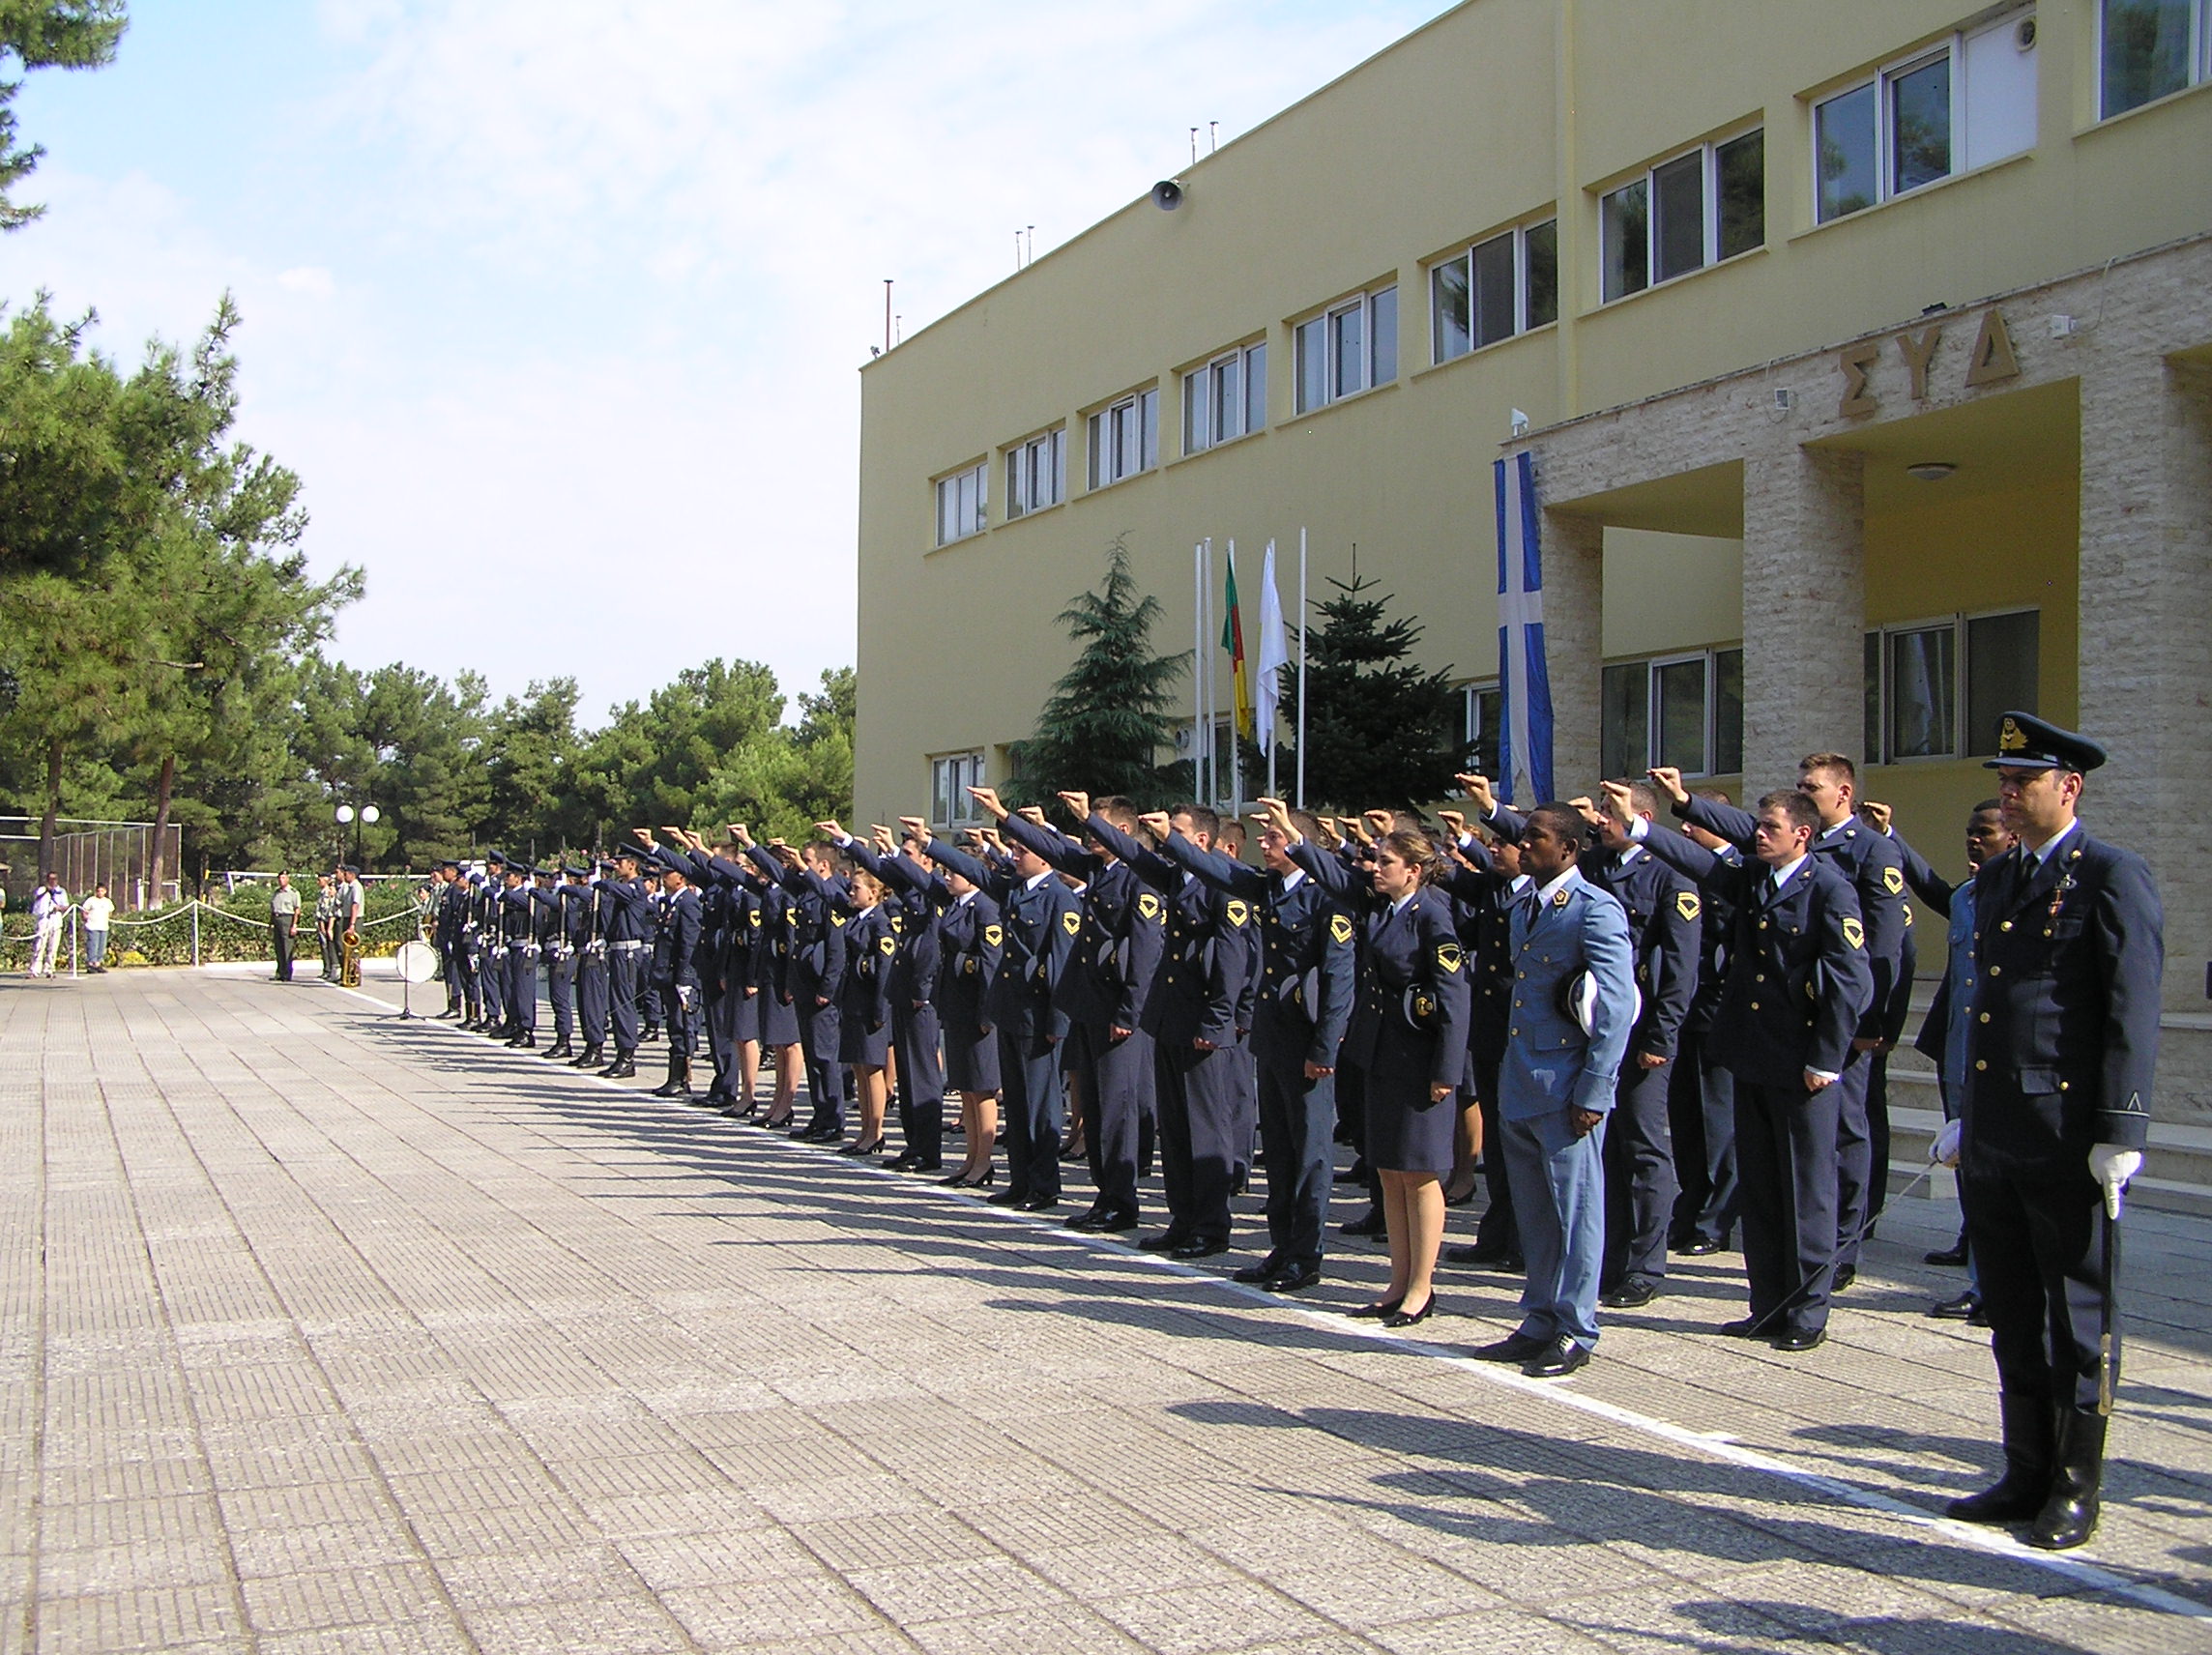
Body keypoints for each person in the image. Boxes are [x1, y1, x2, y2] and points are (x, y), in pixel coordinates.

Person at [1936, 712, 2162, 1552]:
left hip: (2067, 1133)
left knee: (2077, 1315)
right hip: (1999, 1129)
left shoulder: (2109, 874)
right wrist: (1966, 1113)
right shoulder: (1998, 878)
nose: (2007, 793)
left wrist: (2121, 1125)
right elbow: (1988, 1004)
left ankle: (2075, 1485)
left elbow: (2130, 1004)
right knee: (2013, 1312)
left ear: (2068, 787)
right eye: (2003, 779)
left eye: (2022, 781)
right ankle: (2024, 1469)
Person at [1621, 776, 1871, 1352]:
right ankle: (1768, 1305)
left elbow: (1850, 983)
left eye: (1770, 828)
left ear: (1801, 835)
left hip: (1802, 1062)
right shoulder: (1756, 877)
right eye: (1759, 826)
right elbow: (1701, 863)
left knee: (1806, 1190)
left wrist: (1827, 1058)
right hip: (1754, 1055)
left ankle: (1806, 1312)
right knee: (1761, 1187)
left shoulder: (1829, 889)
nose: (1759, 836)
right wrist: (1639, 828)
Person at [1463, 803, 1637, 1378]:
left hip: (1566, 1086)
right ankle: (1539, 1317)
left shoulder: (1594, 909)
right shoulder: (1524, 905)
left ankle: (1576, 1327)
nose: (1524, 845)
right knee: (1535, 1213)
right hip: (1522, 1079)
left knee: (1576, 1212)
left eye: (1535, 837)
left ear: (1567, 849)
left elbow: (1615, 1007)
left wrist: (1595, 1089)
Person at [1288, 822, 1467, 1327]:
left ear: (1413, 870)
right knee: (1389, 1171)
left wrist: (1447, 1071)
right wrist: (1294, 837)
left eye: (1386, 861)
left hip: (1420, 1062)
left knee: (1420, 1174)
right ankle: (1397, 1280)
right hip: (1384, 1057)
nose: (1375, 868)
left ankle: (1421, 1287)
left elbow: (1455, 999)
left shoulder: (1432, 914)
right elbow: (1337, 877)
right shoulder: (1384, 907)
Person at [1172, 798, 1354, 1292]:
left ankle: (1306, 1254)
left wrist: (1324, 1050)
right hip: (1273, 1040)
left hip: (1306, 1044)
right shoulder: (1271, 888)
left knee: (1310, 1153)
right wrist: (1169, 838)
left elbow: (1339, 981)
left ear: (1300, 843)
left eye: (1274, 836)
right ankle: (1282, 1245)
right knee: (1278, 1149)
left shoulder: (1326, 897)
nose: (1264, 843)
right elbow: (1215, 868)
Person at [1864, 795, 2013, 1323]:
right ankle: (1974, 1247)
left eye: (1985, 832)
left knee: (1994, 1169)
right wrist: (1892, 838)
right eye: (1970, 831)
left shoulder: (2018, 898)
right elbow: (1933, 888)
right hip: (1958, 1050)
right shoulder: (1969, 896)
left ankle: (1991, 1283)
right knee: (1963, 1158)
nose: (1974, 840)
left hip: (1997, 1055)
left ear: (2013, 837)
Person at [1087, 802, 1253, 1254]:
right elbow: (1134, 854)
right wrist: (1089, 819)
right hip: (1171, 1019)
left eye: (1175, 832)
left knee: (1206, 1129)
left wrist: (1217, 1020)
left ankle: (1211, 1225)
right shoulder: (1179, 878)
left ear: (1201, 840)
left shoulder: (1225, 884)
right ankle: (1183, 1218)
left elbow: (1232, 961)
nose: (1166, 838)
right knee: (1176, 1130)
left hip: (1203, 1023)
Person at [912, 815, 1080, 1211]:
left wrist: (1058, 1022)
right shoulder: (1017, 890)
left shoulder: (1059, 897)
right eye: (1014, 849)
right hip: (1011, 1010)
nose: (1014, 855)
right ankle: (1020, 1181)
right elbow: (975, 872)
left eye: (1022, 850)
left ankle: (1044, 1185)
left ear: (1045, 856)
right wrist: (930, 844)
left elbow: (1061, 965)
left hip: (1038, 1017)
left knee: (1041, 1106)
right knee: (1018, 1106)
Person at [1668, 795, 1744, 1257]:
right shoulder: (1684, 871)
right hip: (1685, 1012)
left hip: (1719, 1013)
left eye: (1694, 823)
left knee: (1719, 1123)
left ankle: (1717, 1219)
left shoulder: (1737, 870)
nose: (1685, 830)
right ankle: (1691, 1205)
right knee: (1687, 1123)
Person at [29, 872, 69, 977]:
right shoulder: (41, 890)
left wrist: (59, 908)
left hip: (56, 920)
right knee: (39, 945)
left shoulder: (61, 891)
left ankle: (49, 969)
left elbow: (66, 905)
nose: (52, 881)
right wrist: (47, 891)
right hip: (43, 920)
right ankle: (35, 970)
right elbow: (36, 901)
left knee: (53, 946)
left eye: (54, 879)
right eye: (50, 879)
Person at [269, 874, 302, 981]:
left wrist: (294, 925)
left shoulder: (293, 893)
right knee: (278, 948)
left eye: (283, 878)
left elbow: (297, 910)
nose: (281, 880)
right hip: (277, 919)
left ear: (288, 879)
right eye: (279, 878)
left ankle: (287, 973)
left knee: (287, 948)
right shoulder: (276, 893)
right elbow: (273, 909)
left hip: (287, 919)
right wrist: (270, 924)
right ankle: (280, 972)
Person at [77, 883, 113, 973]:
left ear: (105, 891)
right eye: (98, 891)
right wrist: (86, 919)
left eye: (102, 891)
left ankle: (98, 963)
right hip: (92, 927)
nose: (100, 892)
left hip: (103, 927)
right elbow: (84, 911)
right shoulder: (91, 900)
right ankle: (91, 964)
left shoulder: (108, 901)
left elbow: (110, 912)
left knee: (101, 946)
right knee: (93, 945)